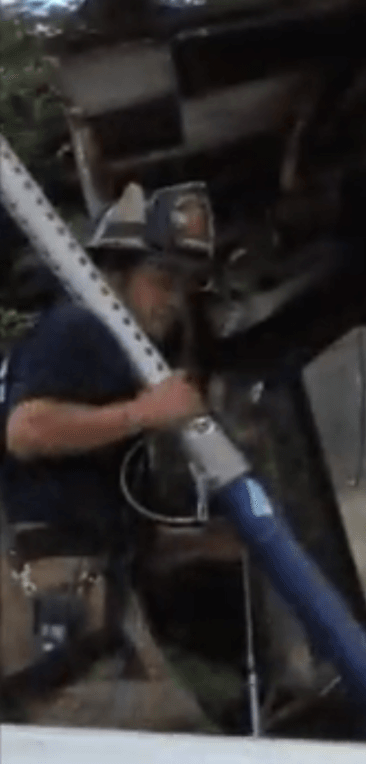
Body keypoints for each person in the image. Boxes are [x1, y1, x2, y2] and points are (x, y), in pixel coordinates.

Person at [1, 182, 222, 730]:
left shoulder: (100, 353)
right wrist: (145, 412)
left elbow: (89, 505)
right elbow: (27, 430)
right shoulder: (82, 328)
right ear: (117, 273)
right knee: (176, 740)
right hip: (59, 589)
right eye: (162, 280)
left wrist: (208, 543)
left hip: (83, 587)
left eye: (185, 286)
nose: (174, 301)